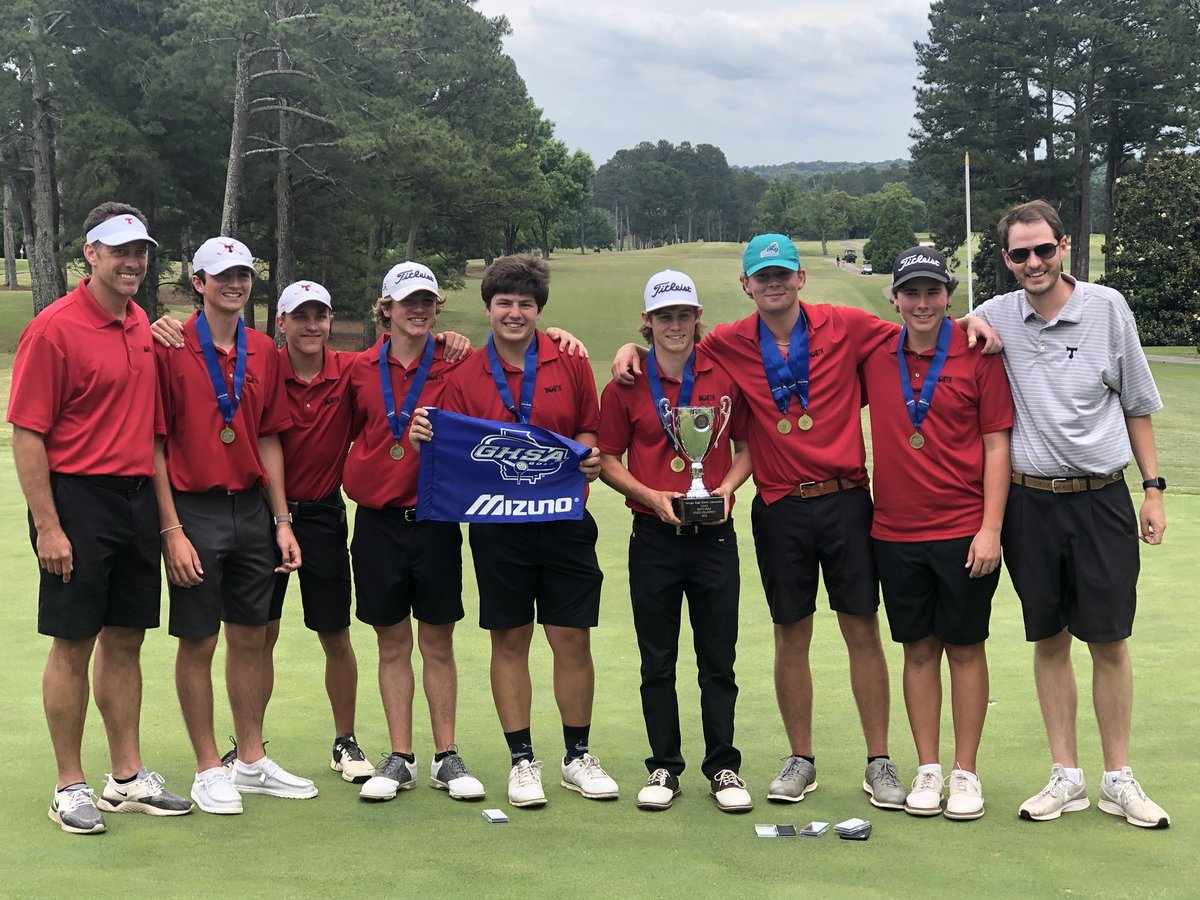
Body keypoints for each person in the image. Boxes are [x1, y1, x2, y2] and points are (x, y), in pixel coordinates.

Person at [611, 235, 997, 808]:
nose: (773, 283)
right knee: (791, 632)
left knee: (860, 629)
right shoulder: (726, 342)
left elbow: (921, 325)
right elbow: (672, 344)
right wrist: (630, 349)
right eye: (762, 275)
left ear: (800, 279)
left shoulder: (847, 325)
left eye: (783, 273)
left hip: (845, 500)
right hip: (780, 506)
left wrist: (971, 321)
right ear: (746, 285)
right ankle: (801, 758)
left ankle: (879, 760)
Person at [967, 200, 1170, 828]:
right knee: (1049, 638)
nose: (1033, 262)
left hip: (1103, 498)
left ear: (1064, 249)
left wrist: (1154, 487)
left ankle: (1118, 778)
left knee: (1109, 639)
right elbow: (937, 328)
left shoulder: (1107, 308)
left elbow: (1137, 403)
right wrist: (971, 325)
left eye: (1043, 249)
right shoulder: (993, 315)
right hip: (1031, 504)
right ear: (1006, 260)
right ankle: (1067, 776)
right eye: (1019, 254)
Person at [8, 203, 193, 834]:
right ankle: (69, 784)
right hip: (78, 501)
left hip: (136, 498)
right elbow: (28, 434)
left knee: (126, 638)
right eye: (120, 251)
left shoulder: (141, 321)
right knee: (73, 642)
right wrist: (49, 526)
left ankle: (126, 777)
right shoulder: (55, 328)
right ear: (91, 253)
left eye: (141, 252)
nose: (133, 263)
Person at [411, 253, 615, 810]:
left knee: (571, 636)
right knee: (511, 638)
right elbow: (443, 449)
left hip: (564, 520)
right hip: (498, 526)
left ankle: (577, 757)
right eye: (505, 303)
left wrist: (591, 457)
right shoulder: (463, 374)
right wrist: (423, 430)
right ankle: (522, 760)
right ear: (488, 307)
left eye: (526, 303)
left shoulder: (569, 361)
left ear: (540, 310)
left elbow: (588, 429)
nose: (515, 313)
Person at [152, 236, 312, 815]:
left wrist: (282, 519)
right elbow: (156, 445)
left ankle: (249, 760)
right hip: (193, 508)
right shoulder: (169, 347)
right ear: (198, 283)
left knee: (251, 636)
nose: (235, 284)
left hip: (251, 507)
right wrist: (170, 529)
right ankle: (205, 767)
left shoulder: (263, 350)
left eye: (243, 274)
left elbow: (269, 436)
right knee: (199, 640)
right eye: (222, 276)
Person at [861, 248, 1012, 820]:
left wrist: (990, 528)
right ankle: (927, 769)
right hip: (894, 533)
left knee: (966, 650)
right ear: (895, 299)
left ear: (948, 294)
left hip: (963, 530)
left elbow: (998, 444)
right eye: (911, 293)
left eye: (932, 292)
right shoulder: (876, 352)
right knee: (918, 651)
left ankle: (964, 772)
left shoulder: (978, 353)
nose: (922, 304)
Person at [598, 269, 754, 813]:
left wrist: (729, 490)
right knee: (657, 660)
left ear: (696, 318)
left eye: (683, 315)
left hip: (714, 536)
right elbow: (607, 460)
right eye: (664, 317)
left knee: (718, 658)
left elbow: (746, 446)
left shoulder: (724, 372)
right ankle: (664, 765)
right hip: (653, 536)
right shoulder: (625, 381)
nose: (675, 325)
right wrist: (649, 493)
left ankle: (724, 766)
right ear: (647, 322)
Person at [343, 262, 488, 803]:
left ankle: (446, 756)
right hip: (377, 523)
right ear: (386, 309)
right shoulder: (358, 369)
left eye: (427, 301)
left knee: (438, 641)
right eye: (408, 302)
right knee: (391, 642)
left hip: (435, 521)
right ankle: (400, 755)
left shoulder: (457, 361)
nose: (420, 310)